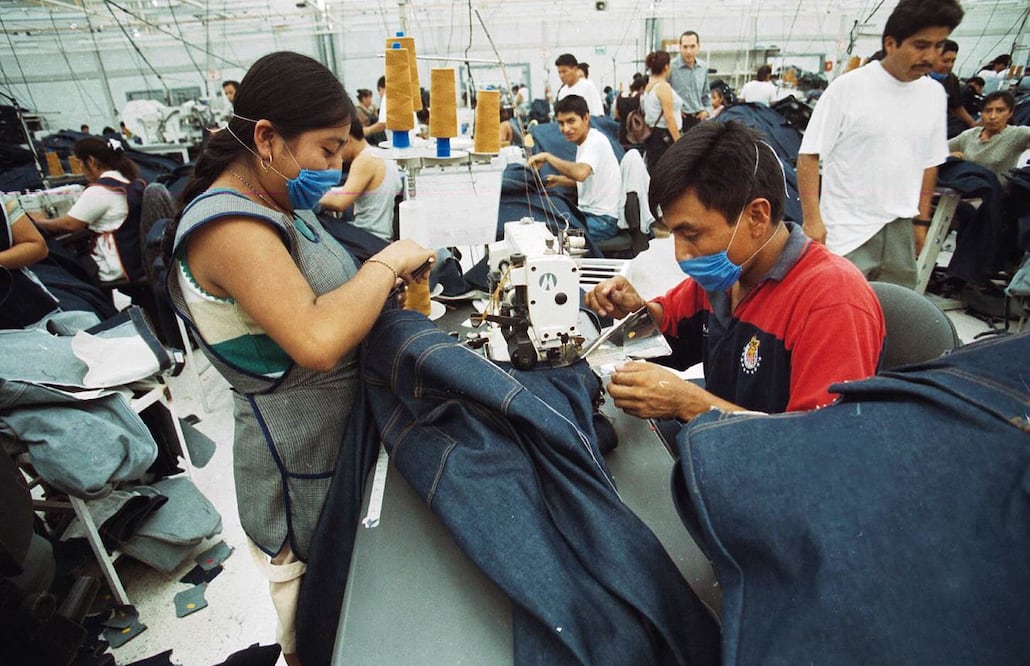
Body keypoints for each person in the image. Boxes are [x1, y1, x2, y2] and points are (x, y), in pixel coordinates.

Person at [164, 52, 433, 666]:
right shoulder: (229, 227)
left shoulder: (281, 202)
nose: (338, 166)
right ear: (266, 138)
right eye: (328, 148)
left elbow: (330, 294)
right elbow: (314, 336)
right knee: (327, 635)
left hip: (339, 445)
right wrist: (387, 263)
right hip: (300, 469)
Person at [584, 121, 884, 419]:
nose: (680, 254)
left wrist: (692, 405)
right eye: (672, 234)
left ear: (757, 216)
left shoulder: (832, 302)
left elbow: (821, 445)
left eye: (691, 234)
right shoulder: (724, 280)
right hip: (724, 447)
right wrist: (637, 310)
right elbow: (670, 326)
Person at [798, 0, 964, 289]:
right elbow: (809, 155)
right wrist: (813, 220)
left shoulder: (934, 95)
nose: (930, 56)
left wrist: (921, 223)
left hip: (900, 225)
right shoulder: (848, 88)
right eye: (920, 45)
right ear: (890, 43)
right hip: (846, 230)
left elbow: (930, 162)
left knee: (896, 312)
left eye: (938, 46)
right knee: (840, 311)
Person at [35, 137, 146, 284]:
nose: (81, 169)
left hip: (114, 266)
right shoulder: (131, 183)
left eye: (80, 163)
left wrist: (38, 221)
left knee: (55, 266)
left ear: (91, 161)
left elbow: (69, 225)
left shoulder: (100, 191)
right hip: (135, 260)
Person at [526, 94, 620, 242]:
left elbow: (581, 174)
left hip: (603, 221)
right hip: (590, 215)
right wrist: (559, 180)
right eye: (561, 123)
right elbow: (589, 179)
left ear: (586, 118)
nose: (566, 128)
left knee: (550, 237)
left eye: (571, 121)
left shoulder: (594, 142)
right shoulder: (584, 143)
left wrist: (547, 157)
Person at [319, 110, 404, 241]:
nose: (336, 154)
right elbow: (359, 190)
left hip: (369, 236)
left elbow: (340, 202)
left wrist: (309, 195)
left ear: (347, 141)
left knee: (317, 224)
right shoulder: (379, 154)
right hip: (381, 235)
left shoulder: (364, 160)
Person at [948, 91, 1030, 190]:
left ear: (1010, 113)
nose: (992, 116)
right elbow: (937, 150)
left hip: (994, 195)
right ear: (981, 113)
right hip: (964, 189)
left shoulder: (1017, 134)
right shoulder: (970, 135)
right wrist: (949, 155)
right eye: (988, 111)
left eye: (1000, 110)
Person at [640, 50, 683, 174]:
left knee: (655, 170)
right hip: (665, 136)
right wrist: (679, 143)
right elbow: (669, 118)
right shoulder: (663, 87)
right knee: (668, 172)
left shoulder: (649, 85)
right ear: (666, 67)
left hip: (653, 135)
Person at [931, 40, 978, 138]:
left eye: (953, 61)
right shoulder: (914, 78)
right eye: (945, 61)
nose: (950, 65)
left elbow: (957, 107)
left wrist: (973, 124)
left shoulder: (951, 79)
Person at [668, 30, 711, 132]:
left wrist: (707, 111)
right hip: (679, 119)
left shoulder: (703, 67)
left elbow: (706, 94)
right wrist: (674, 111)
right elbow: (663, 93)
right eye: (685, 47)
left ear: (698, 46)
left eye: (692, 46)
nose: (688, 51)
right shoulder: (670, 67)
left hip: (699, 119)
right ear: (680, 47)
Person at [615, 73, 647, 149]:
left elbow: (616, 115)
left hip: (622, 134)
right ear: (642, 88)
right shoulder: (641, 98)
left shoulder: (619, 97)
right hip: (638, 135)